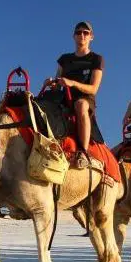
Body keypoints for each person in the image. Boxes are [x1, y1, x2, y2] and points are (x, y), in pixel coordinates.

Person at [48, 21, 103, 168]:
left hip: (84, 99)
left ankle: (83, 152)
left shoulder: (96, 59)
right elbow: (57, 83)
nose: (82, 35)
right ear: (74, 36)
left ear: (91, 37)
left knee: (80, 105)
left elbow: (93, 89)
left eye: (86, 33)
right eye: (79, 32)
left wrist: (72, 83)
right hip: (63, 98)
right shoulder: (64, 59)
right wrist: (51, 84)